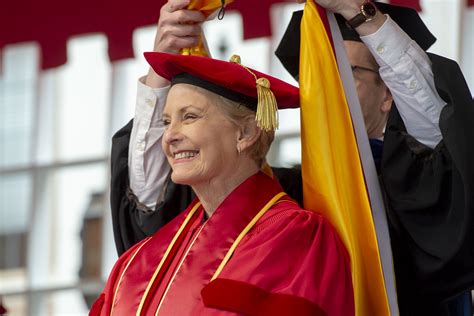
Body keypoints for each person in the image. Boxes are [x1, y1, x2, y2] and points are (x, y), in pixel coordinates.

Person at [109, 0, 474, 314]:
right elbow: (153, 203)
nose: (330, 85)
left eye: (348, 73)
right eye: (320, 75)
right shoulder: (276, 199)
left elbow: (438, 143)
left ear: (388, 95)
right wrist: (162, 72)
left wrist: (358, 12)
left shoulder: (406, 188)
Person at [93, 52, 354, 315]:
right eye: (166, 121)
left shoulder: (297, 238)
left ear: (246, 133)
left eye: (190, 117)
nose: (170, 136)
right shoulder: (136, 261)